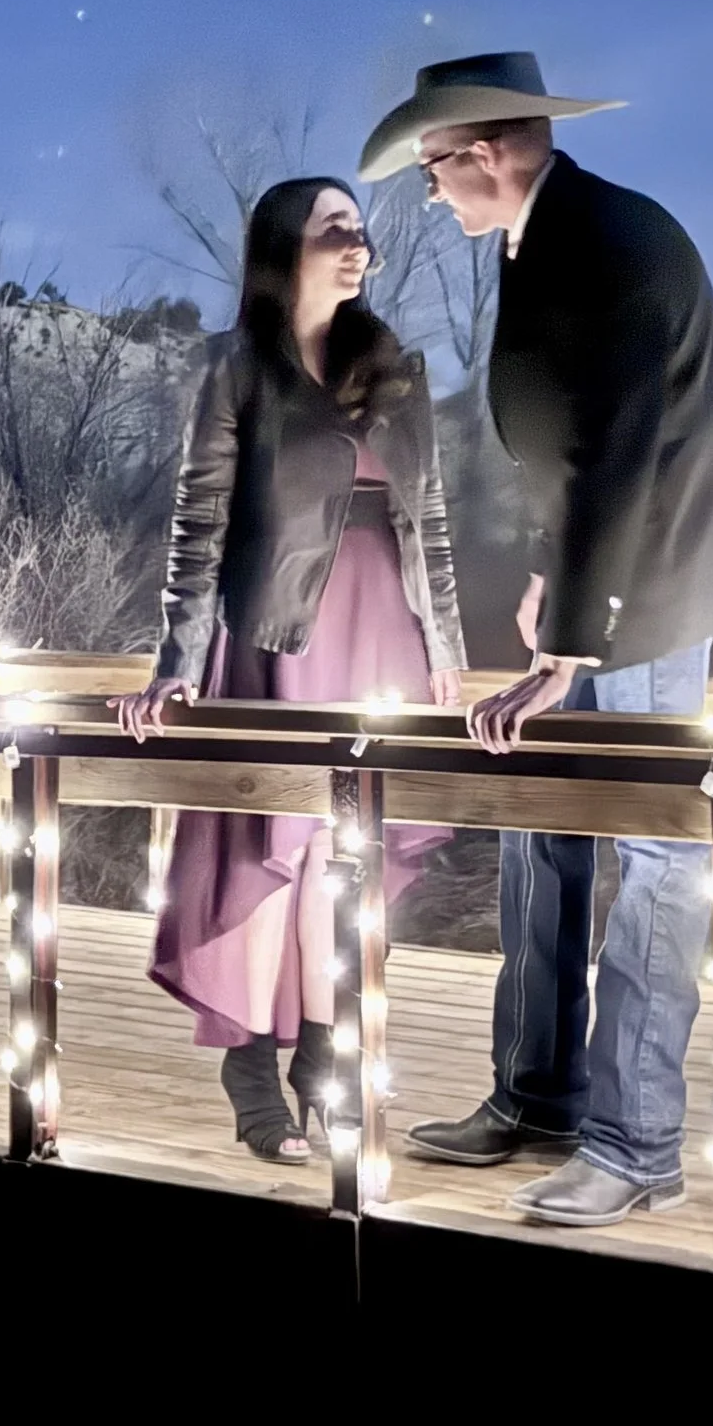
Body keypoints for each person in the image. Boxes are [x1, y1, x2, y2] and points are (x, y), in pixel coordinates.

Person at [357, 52, 713, 1226]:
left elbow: (621, 450)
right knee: (538, 816)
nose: (432, 195)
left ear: (486, 151)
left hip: (664, 569)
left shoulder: (613, 240)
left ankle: (636, 1144)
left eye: (436, 170)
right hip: (605, 562)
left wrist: (573, 645)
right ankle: (538, 1093)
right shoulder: (537, 235)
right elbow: (565, 436)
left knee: (655, 847)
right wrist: (553, 574)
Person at [114, 178, 466, 1165]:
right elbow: (200, 524)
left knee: (340, 854)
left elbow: (426, 518)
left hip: (380, 635)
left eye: (361, 233)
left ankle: (322, 1055)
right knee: (274, 841)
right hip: (273, 638)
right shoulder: (234, 367)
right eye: (334, 232)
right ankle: (250, 1069)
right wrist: (175, 663)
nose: (359, 249)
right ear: (283, 249)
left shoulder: (391, 366)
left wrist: (446, 647)